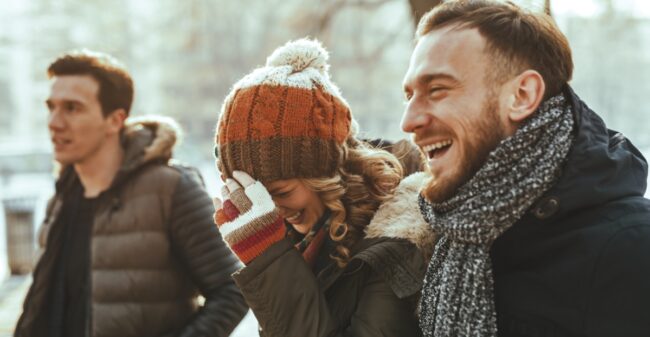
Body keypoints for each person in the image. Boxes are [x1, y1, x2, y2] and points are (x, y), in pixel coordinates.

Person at [399, 1, 650, 336]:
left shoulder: (631, 250)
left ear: (522, 95)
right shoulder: (453, 237)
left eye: (437, 90)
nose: (409, 121)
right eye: (409, 96)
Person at [14, 50, 247, 337]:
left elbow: (233, 289)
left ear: (115, 120)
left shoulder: (170, 188)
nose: (54, 122)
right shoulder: (60, 199)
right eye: (51, 107)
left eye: (72, 108)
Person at [213, 38, 429, 337]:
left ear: (328, 173)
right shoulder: (303, 241)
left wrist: (269, 262)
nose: (271, 212)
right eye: (257, 197)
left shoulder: (394, 240)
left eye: (282, 192)